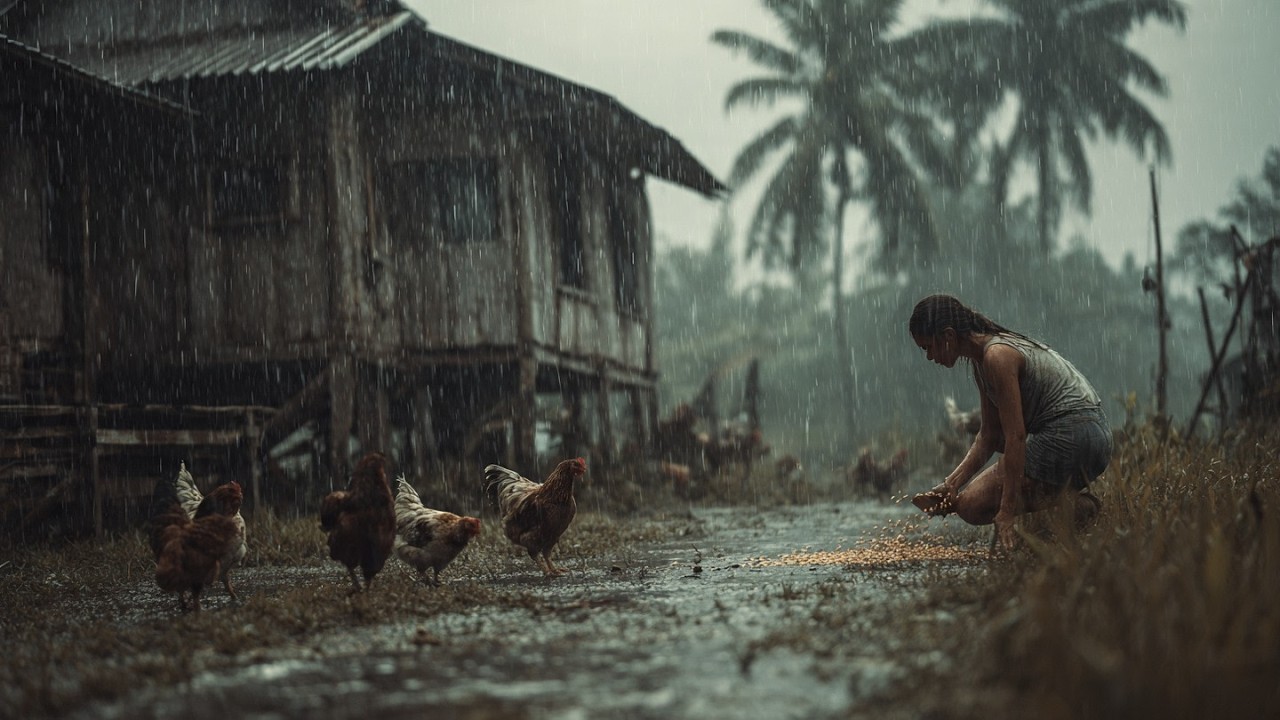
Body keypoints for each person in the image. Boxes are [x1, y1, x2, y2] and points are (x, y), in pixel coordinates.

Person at [907, 294, 1112, 550]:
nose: (928, 357)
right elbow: (990, 436)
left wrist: (1006, 513)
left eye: (928, 347)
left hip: (1073, 434)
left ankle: (1080, 508)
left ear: (948, 336)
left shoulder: (997, 356)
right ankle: (1070, 510)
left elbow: (1015, 437)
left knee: (972, 505)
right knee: (969, 501)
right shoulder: (982, 362)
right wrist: (951, 484)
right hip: (1096, 435)